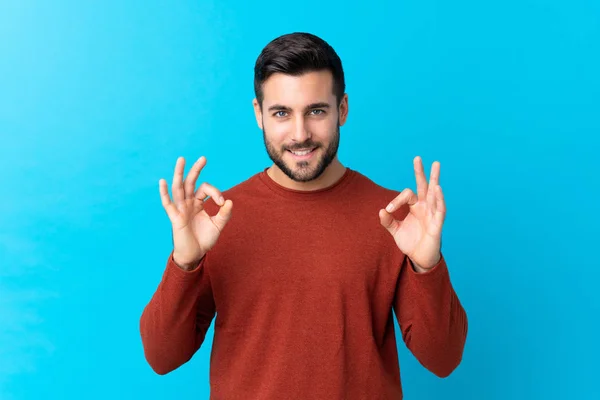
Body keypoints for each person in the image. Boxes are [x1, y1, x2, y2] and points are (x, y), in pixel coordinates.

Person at [139, 32, 468, 399]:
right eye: (281, 113)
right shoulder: (214, 220)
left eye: (316, 111)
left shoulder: (396, 218)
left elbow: (444, 359)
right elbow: (162, 357)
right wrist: (185, 262)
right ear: (258, 115)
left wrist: (428, 267)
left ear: (342, 109)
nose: (300, 134)